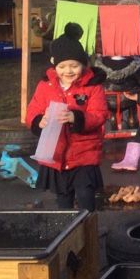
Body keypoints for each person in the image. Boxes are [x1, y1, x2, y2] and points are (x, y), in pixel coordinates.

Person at [26, 23, 109, 211]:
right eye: (62, 66)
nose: (68, 71)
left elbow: (100, 115)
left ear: (83, 64)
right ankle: (69, 233)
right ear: (55, 64)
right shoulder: (45, 86)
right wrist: (40, 121)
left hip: (84, 152)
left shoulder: (92, 87)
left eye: (74, 65)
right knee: (63, 199)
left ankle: (89, 229)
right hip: (56, 153)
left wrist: (76, 118)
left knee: (86, 196)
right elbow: (32, 111)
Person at [92, 51, 140, 131]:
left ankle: (113, 119)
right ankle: (132, 119)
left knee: (110, 105)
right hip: (129, 99)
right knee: (134, 98)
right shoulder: (134, 64)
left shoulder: (101, 64)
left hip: (109, 100)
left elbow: (96, 82)